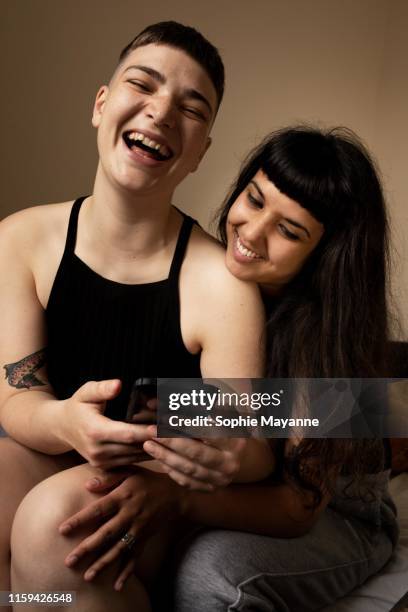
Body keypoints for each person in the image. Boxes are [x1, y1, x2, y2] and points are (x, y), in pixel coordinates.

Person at [42, 126, 399, 612]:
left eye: (289, 231)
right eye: (253, 201)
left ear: (326, 256)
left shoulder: (332, 344)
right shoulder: (207, 279)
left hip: (338, 510)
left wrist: (176, 498)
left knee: (208, 575)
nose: (251, 233)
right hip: (236, 486)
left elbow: (300, 508)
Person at [0, 22, 275, 612]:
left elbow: (247, 443)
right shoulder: (20, 239)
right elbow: (16, 398)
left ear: (201, 151)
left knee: (54, 526)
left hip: (151, 487)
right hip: (54, 448)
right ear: (102, 105)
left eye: (191, 108)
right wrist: (68, 424)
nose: (161, 112)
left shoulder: (219, 284)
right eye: (142, 85)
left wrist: (205, 444)